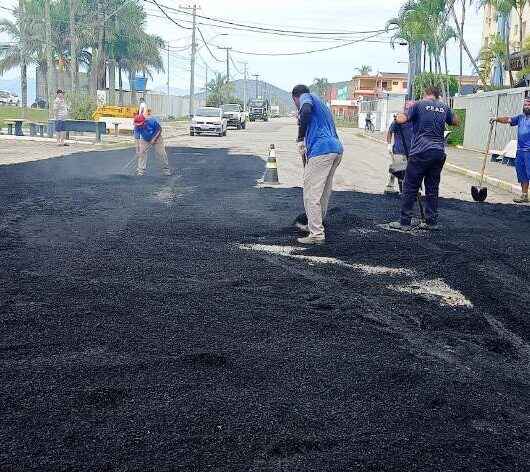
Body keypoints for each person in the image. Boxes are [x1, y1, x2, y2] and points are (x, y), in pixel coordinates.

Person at [389, 86, 459, 231]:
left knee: (410, 186)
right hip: (438, 153)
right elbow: (456, 122)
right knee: (432, 188)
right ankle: (431, 222)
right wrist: (448, 110)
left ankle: (404, 222)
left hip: (420, 152)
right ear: (437, 95)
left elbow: (402, 119)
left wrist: (396, 117)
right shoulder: (444, 107)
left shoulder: (418, 104)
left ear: (425, 94)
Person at [292, 84, 344, 245]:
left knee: (310, 194)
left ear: (295, 97)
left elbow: (306, 110)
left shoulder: (306, 97)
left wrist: (300, 137)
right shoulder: (322, 105)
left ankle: (316, 234)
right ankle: (315, 225)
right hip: (336, 149)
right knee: (322, 193)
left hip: (322, 151)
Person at [491, 98, 530, 203]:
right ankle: (524, 195)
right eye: (525, 104)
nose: (526, 106)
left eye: (528, 105)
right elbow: (508, 120)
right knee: (522, 175)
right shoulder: (520, 118)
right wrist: (496, 119)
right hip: (520, 151)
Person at [385, 101, 414, 194]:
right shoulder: (398, 120)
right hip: (399, 150)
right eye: (407, 109)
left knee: (409, 172)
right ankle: (390, 188)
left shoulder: (416, 120)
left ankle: (407, 190)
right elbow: (390, 132)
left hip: (412, 151)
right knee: (397, 170)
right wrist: (389, 144)